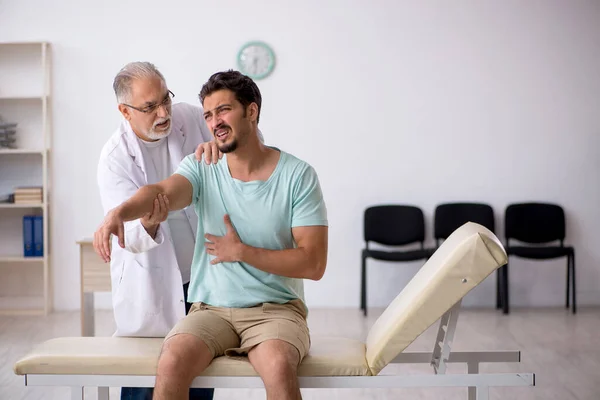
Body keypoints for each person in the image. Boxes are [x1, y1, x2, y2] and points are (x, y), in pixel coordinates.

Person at [94, 70, 328, 400]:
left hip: (273, 310)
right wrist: (120, 212)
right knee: (171, 360)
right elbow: (160, 191)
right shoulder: (199, 166)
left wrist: (243, 252)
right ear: (126, 110)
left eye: (223, 110)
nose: (214, 121)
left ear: (252, 111)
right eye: (208, 114)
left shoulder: (297, 175)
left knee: (277, 365)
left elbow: (314, 264)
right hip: (210, 309)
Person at [97, 61, 219, 400]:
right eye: (150, 107)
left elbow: (247, 141)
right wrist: (148, 224)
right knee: (144, 379)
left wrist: (221, 147)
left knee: (198, 376)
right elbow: (126, 233)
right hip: (149, 279)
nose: (163, 112)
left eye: (165, 99)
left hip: (201, 274)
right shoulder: (114, 158)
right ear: (125, 111)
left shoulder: (192, 118)